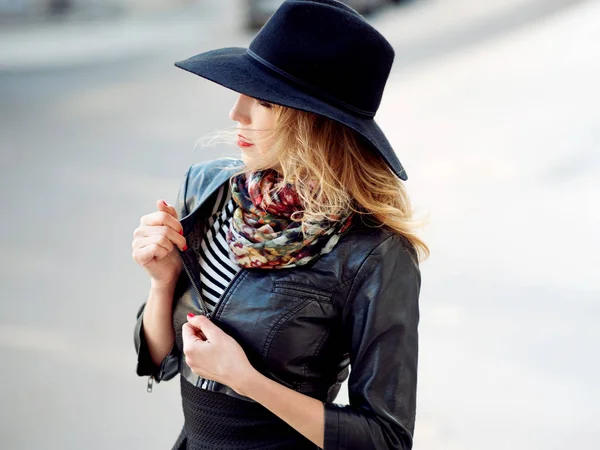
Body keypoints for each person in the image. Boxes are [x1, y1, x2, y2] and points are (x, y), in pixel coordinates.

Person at [131, 0, 429, 449]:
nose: (237, 112)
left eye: (263, 100)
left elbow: (385, 438)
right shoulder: (207, 188)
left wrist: (245, 380)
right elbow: (159, 359)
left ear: (313, 123)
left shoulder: (375, 252)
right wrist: (162, 281)